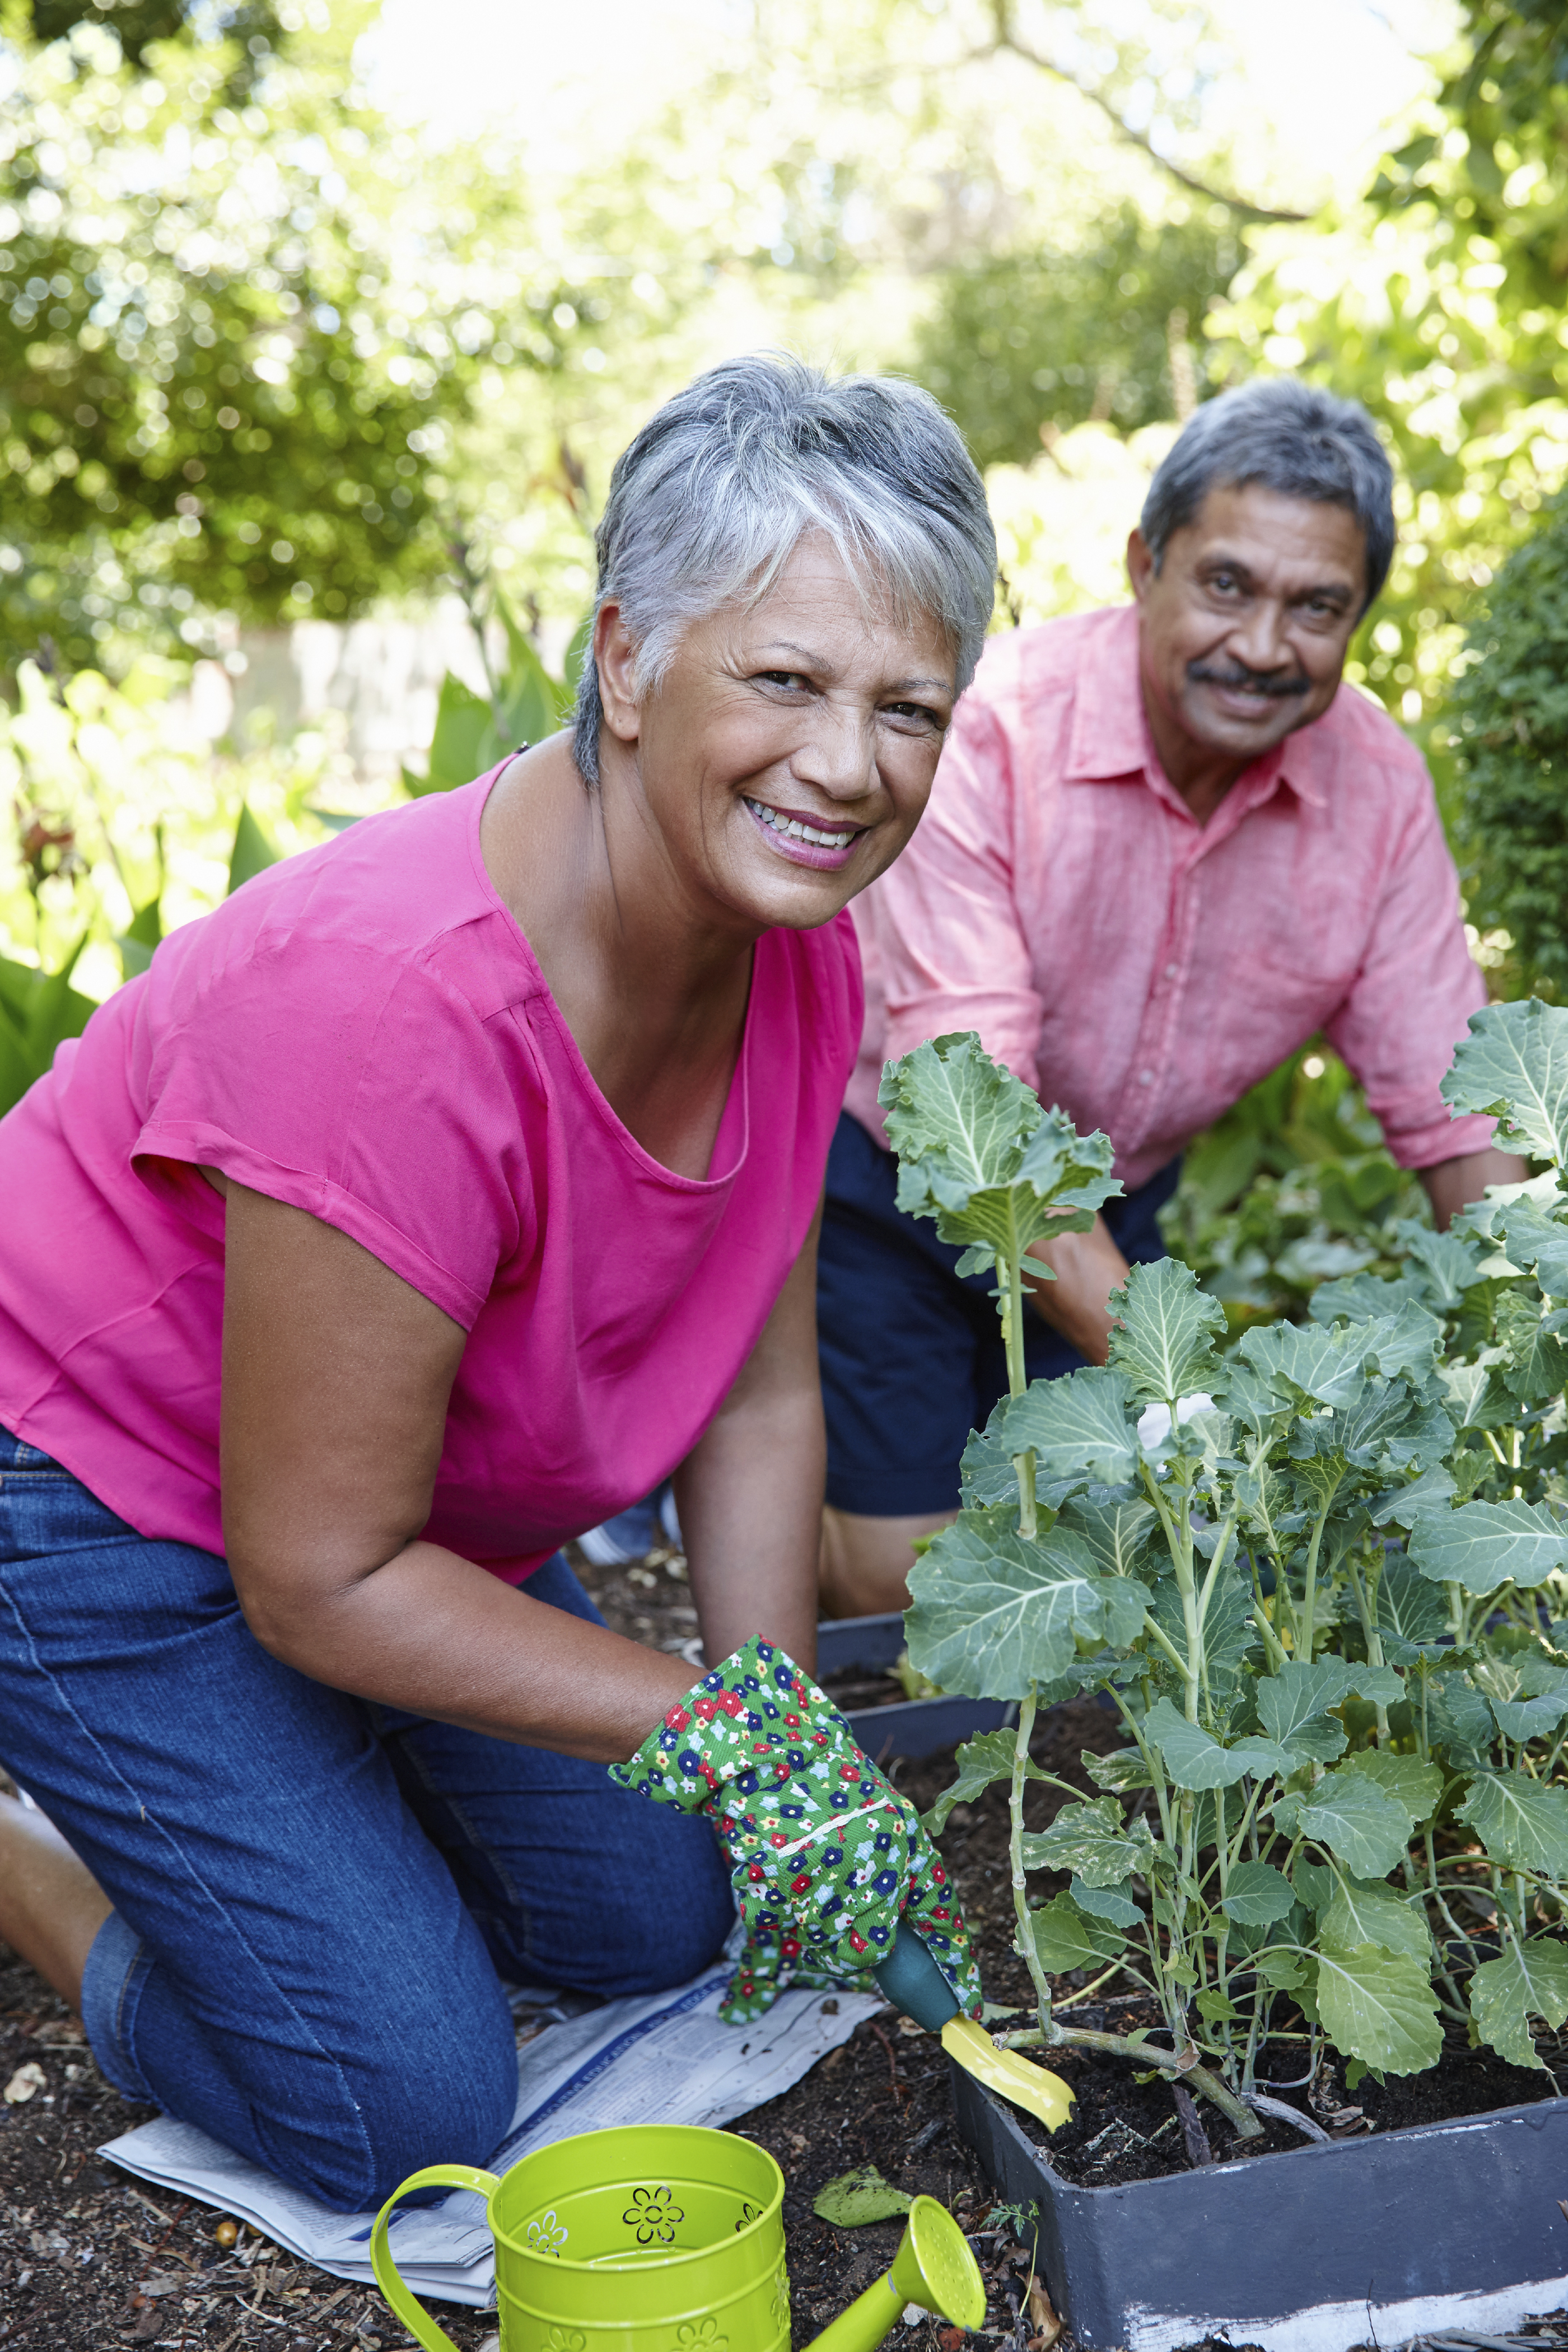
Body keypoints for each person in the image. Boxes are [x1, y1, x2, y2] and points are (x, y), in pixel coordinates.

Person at [0, 356, 995, 2211]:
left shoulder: (793, 950)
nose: (849, 766)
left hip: (391, 1493)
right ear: (625, 660)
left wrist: (765, 1740)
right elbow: (320, 1572)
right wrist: (712, 1729)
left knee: (659, 1915)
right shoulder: (392, 1015)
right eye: (783, 681)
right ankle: (34, 1850)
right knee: (402, 2107)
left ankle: (291, 1789)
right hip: (87, 1489)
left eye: (908, 708)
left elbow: (762, 1388)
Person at [818, 375, 1525, 1621]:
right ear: (1145, 561)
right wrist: (1181, 1398)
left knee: (1133, 1564)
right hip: (889, 1178)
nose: (1261, 647)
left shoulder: (1374, 789)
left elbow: (1456, 1113)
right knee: (910, 1585)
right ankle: (724, 1447)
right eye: (1225, 586)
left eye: (1316, 608)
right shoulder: (992, 729)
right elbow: (969, 1115)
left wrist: (1527, 1348)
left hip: (1109, 1199)